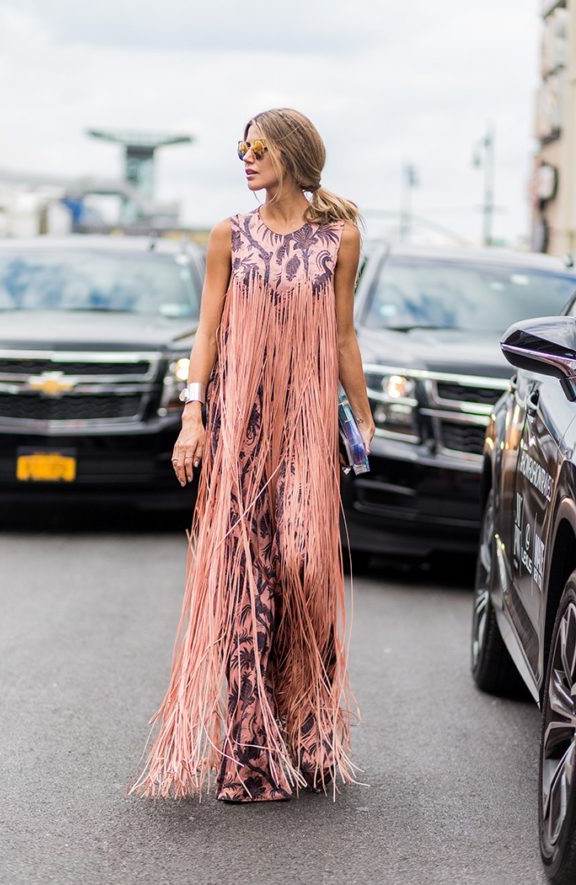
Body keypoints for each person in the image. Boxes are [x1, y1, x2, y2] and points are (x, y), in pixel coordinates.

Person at [127, 107, 375, 804]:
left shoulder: (339, 239)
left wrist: (363, 413)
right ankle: (251, 754)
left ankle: (310, 723)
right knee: (244, 584)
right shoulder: (228, 236)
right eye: (241, 146)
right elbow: (205, 332)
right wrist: (192, 414)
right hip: (239, 428)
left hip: (305, 433)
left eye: (257, 146)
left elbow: (345, 336)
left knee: (302, 568)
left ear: (291, 155)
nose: (245, 156)